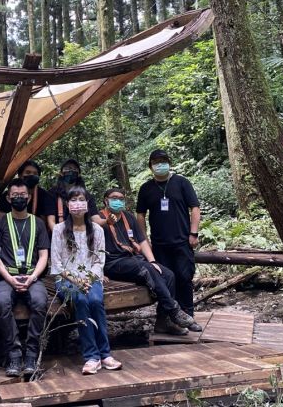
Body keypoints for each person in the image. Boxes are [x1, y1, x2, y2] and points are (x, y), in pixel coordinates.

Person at [99, 188, 198, 336]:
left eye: (121, 198)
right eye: (114, 197)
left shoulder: (128, 217)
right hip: (113, 263)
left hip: (133, 260)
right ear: (106, 200)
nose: (117, 201)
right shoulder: (99, 219)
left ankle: (163, 322)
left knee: (168, 274)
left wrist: (153, 261)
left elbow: (142, 240)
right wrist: (98, 271)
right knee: (144, 267)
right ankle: (174, 310)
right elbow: (90, 245)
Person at [50, 186, 122, 375]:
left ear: (88, 203)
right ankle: (91, 356)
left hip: (91, 278)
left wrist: (88, 278)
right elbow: (57, 263)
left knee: (96, 301)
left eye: (81, 199)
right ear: (67, 204)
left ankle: (105, 355)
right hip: (66, 279)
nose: (77, 204)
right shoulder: (59, 230)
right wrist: (76, 280)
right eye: (73, 200)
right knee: (81, 300)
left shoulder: (97, 229)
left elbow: (99, 260)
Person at [136, 149, 201, 327]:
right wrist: (144, 240)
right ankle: (167, 318)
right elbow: (140, 215)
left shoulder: (181, 183)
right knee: (165, 280)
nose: (160, 164)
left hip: (182, 241)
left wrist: (193, 233)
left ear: (169, 163)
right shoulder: (146, 188)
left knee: (184, 277)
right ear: (150, 166)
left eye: (163, 161)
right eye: (156, 162)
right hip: (159, 244)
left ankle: (188, 316)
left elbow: (194, 207)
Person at [0, 178, 50, 376]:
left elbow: (44, 255)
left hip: (32, 276)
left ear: (29, 196)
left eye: (22, 195)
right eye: (15, 195)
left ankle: (32, 354)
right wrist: (9, 278)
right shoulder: (0, 223)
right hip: (7, 277)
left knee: (40, 301)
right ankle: (14, 354)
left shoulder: (38, 223)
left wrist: (33, 277)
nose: (19, 198)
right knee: (1, 301)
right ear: (8, 198)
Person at [47, 159, 102, 231]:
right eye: (67, 168)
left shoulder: (86, 195)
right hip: (60, 234)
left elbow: (95, 218)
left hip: (83, 234)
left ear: (79, 174)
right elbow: (51, 221)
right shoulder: (52, 193)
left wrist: (107, 221)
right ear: (61, 173)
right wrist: (59, 235)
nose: (71, 171)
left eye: (74, 169)